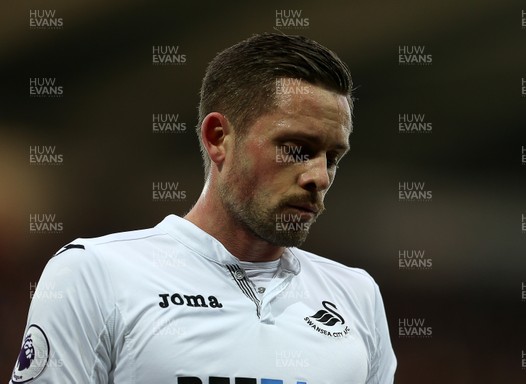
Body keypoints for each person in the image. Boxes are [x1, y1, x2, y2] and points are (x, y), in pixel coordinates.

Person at [10, 33, 396, 384]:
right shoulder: (96, 273)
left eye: (332, 157)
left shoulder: (356, 296)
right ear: (218, 138)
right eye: (297, 149)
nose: (319, 177)